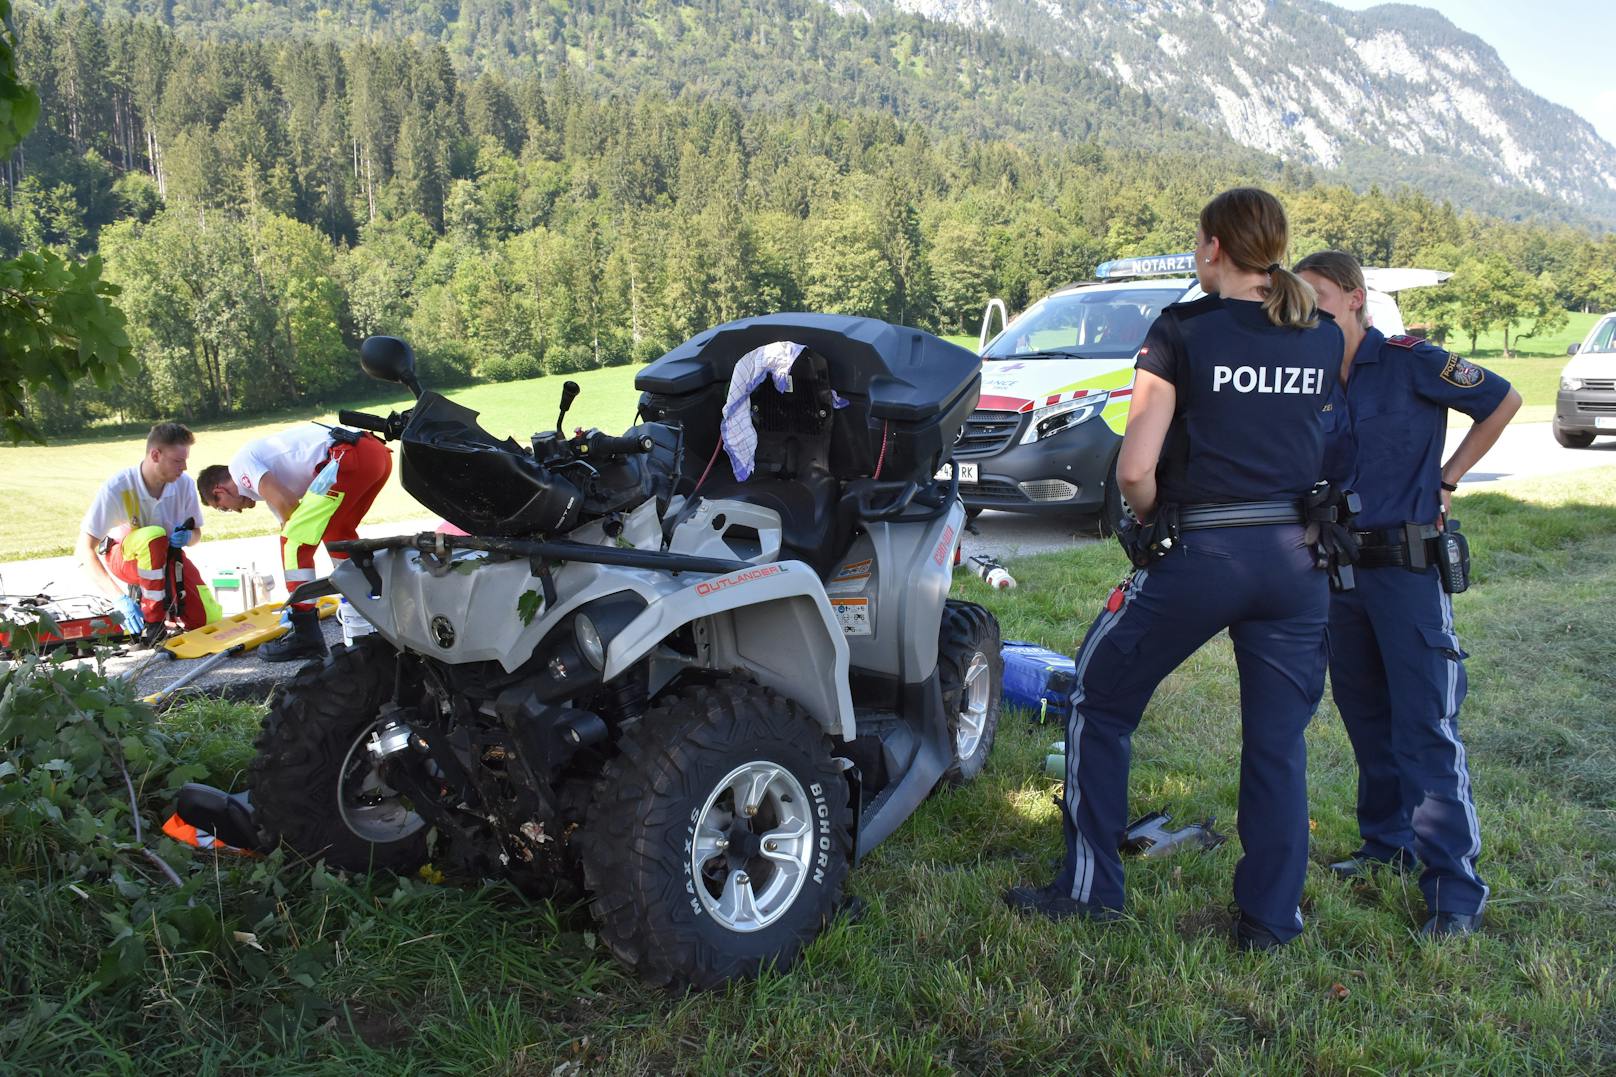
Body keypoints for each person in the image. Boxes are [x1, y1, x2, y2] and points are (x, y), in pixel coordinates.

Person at [1004, 187, 1345, 951]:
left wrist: (1151, 517)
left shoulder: (1181, 330)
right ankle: (1270, 920)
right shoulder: (1322, 334)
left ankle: (1092, 893)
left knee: (1099, 695)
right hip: (1297, 560)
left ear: (1212, 247)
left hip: (1205, 551)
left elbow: (1133, 469)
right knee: (1278, 742)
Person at [1295, 250, 1520, 938]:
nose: (1313, 316)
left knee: (1424, 726)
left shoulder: (1411, 359)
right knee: (1367, 720)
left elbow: (1502, 398)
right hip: (1342, 576)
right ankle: (1386, 844)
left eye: (1323, 301)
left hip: (1408, 570)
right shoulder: (1308, 382)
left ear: (1356, 298)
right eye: (1302, 306)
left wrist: (1448, 479)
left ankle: (1455, 889)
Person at [196, 423, 391, 662]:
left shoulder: (239, 468)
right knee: (338, 533)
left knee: (293, 544)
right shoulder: (265, 483)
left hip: (348, 456)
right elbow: (288, 516)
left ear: (219, 491)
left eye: (224, 508)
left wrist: (297, 599)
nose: (236, 512)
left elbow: (289, 507)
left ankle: (305, 632)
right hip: (373, 453)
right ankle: (365, 608)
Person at [78, 421, 222, 640]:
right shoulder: (118, 487)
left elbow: (196, 536)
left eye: (185, 460)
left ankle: (165, 607)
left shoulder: (184, 484)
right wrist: (119, 599)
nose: (184, 467)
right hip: (125, 559)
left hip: (167, 558)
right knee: (154, 536)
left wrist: (187, 538)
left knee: (206, 619)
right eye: (178, 461)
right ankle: (153, 623)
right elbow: (84, 551)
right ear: (155, 455)